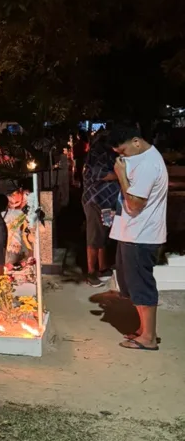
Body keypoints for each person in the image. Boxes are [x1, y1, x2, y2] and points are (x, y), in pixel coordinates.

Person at [107, 123, 168, 351]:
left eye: (122, 152)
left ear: (136, 141)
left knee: (142, 285)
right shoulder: (143, 158)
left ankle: (149, 338)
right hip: (133, 233)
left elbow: (133, 204)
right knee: (133, 285)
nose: (121, 157)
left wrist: (121, 176)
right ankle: (144, 330)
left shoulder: (148, 166)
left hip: (141, 234)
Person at [82, 135, 119, 287]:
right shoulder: (96, 155)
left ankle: (103, 268)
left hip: (107, 202)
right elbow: (104, 175)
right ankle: (91, 272)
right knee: (94, 236)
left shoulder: (107, 154)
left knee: (103, 234)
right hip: (96, 202)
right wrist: (123, 175)